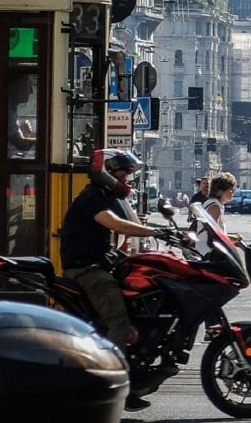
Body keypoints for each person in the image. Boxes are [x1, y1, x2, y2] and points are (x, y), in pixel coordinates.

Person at [58, 149, 158, 412]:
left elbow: (124, 224)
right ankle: (114, 390)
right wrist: (156, 231)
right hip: (85, 269)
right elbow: (117, 225)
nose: (126, 179)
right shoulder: (92, 197)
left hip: (100, 262)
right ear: (107, 173)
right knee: (119, 323)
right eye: (122, 174)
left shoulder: (106, 196)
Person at [0, 73, 37, 158]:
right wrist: (43, 141)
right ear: (14, 87)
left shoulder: (2, 106)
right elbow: (21, 144)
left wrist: (21, 132)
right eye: (27, 85)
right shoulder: (4, 109)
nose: (31, 91)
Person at [195, 172, 237, 254]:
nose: (232, 192)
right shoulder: (214, 207)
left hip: (210, 250)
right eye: (230, 189)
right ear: (220, 191)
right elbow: (212, 233)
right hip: (208, 252)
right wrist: (229, 238)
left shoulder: (214, 204)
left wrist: (230, 238)